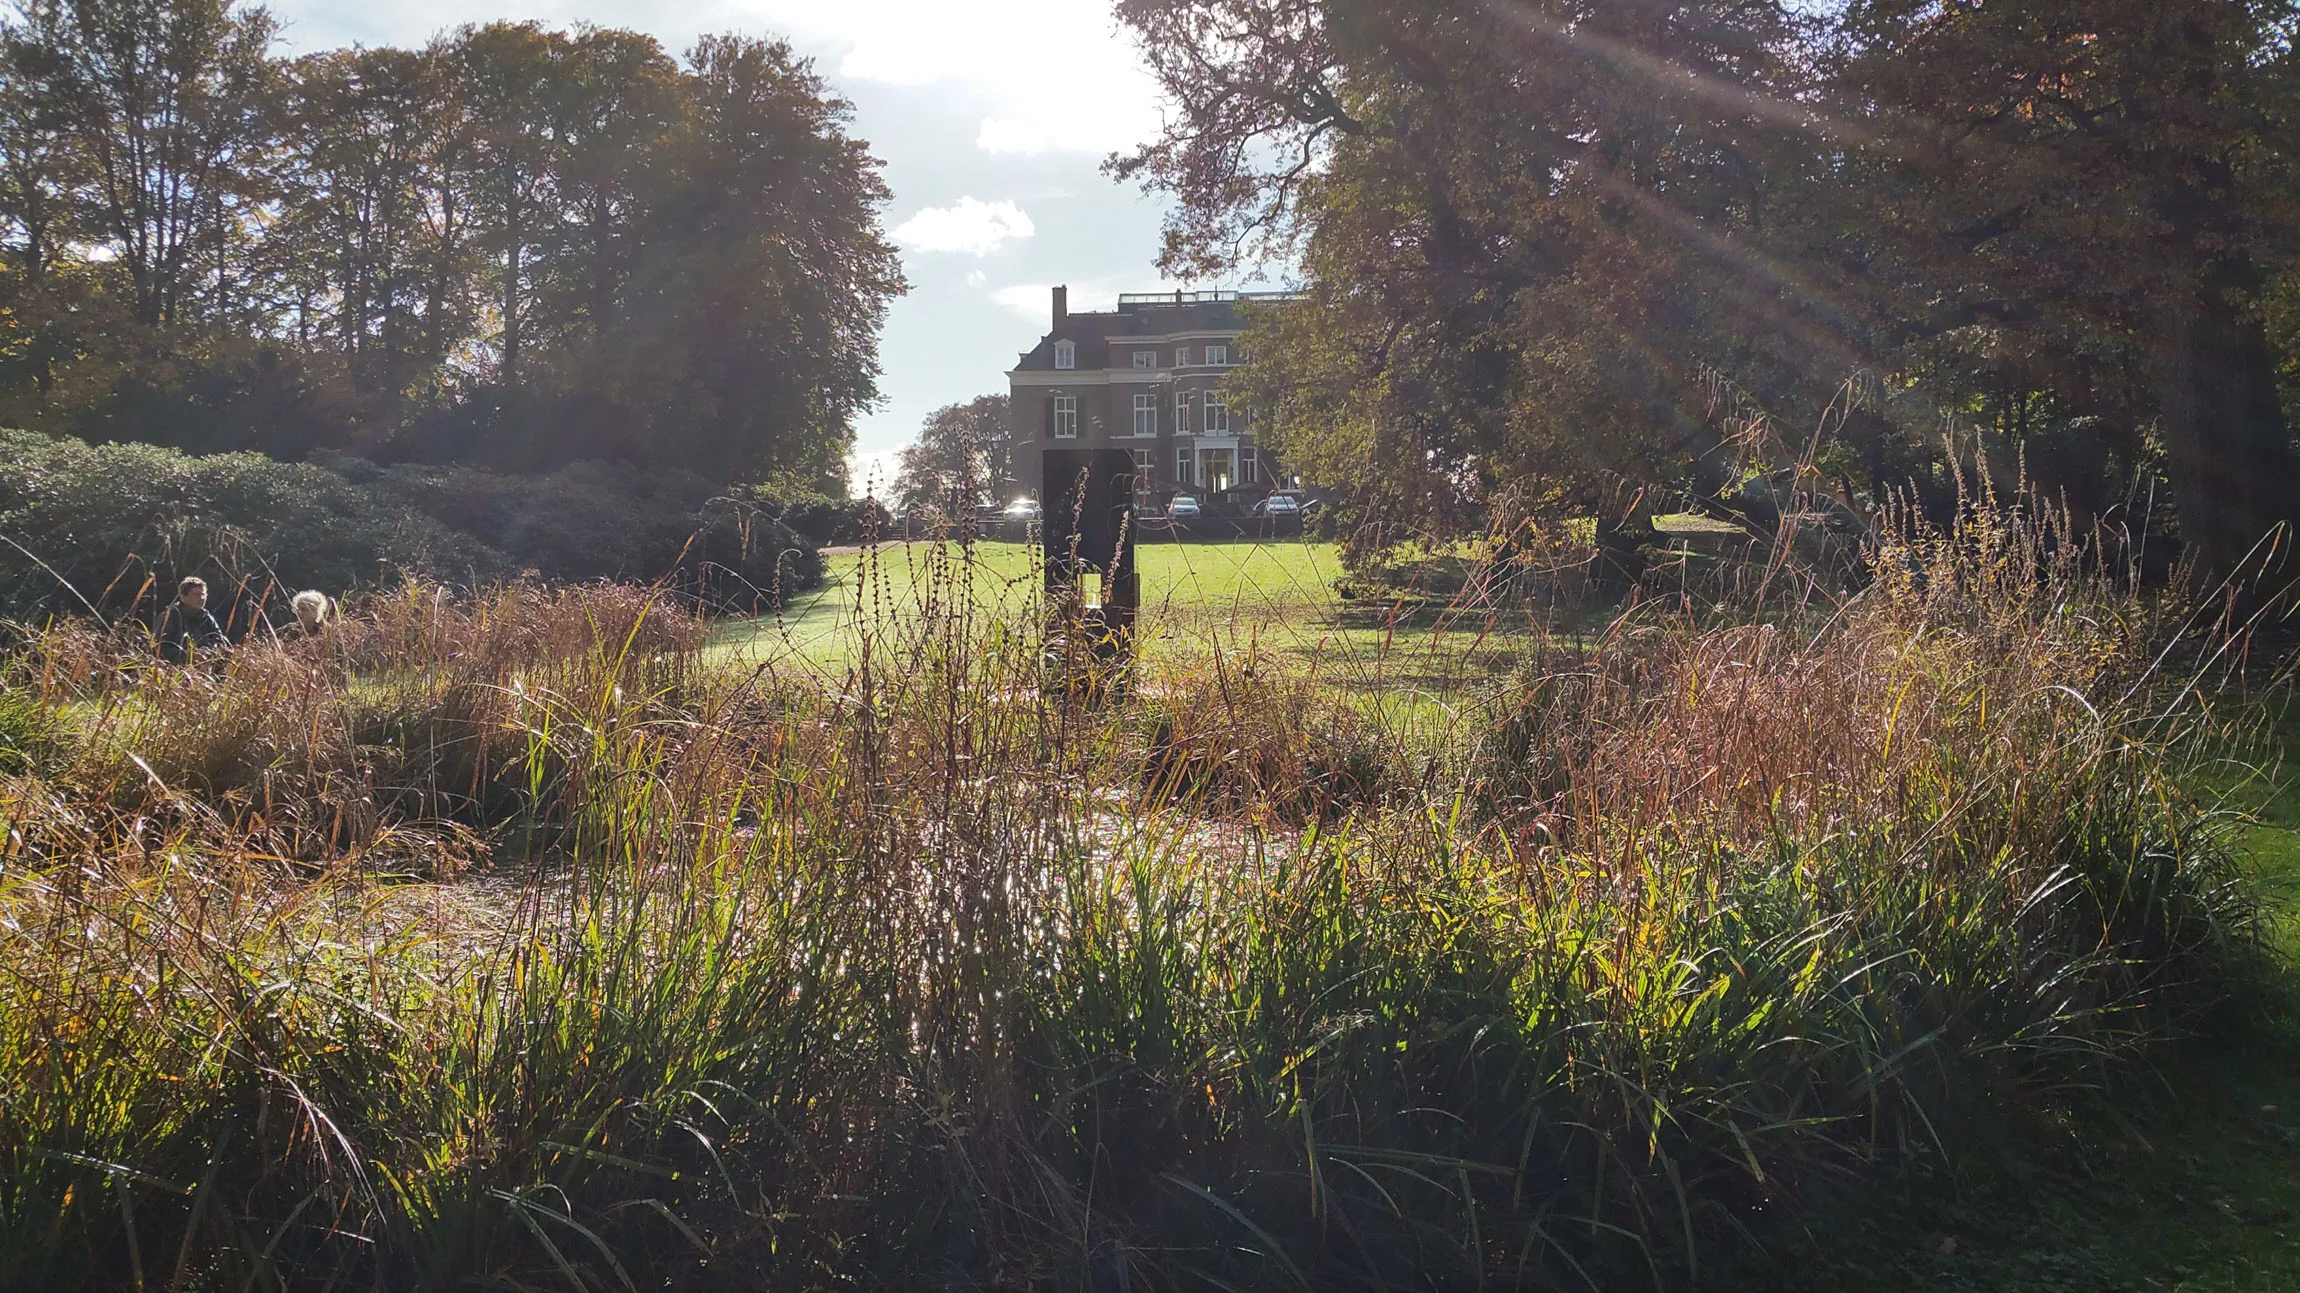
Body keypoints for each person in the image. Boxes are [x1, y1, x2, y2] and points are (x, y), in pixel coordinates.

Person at [156, 576, 228, 664]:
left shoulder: (206, 617)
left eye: (203, 594)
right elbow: (160, 648)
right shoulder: (170, 616)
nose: (201, 598)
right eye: (196, 595)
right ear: (183, 597)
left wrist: (210, 651)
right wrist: (190, 656)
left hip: (204, 668)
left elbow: (219, 642)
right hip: (173, 670)